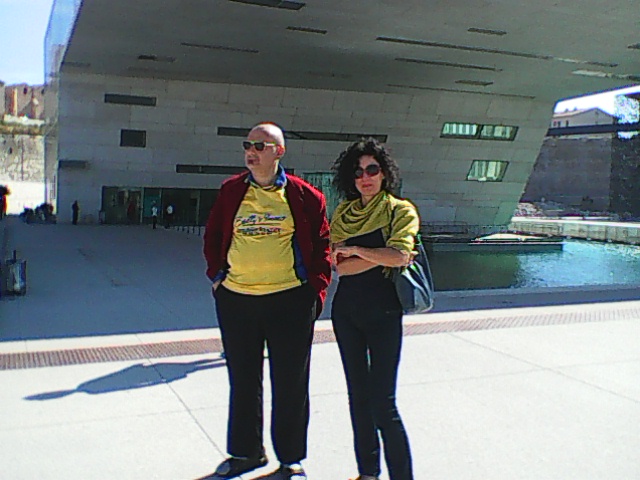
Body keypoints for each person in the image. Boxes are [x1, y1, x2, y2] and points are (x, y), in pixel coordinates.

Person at [203, 122, 331, 479]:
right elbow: (213, 236)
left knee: (290, 382)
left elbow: (322, 247)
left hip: (290, 301)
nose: (252, 151)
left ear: (279, 152)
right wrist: (218, 278)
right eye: (248, 144)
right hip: (237, 300)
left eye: (261, 145)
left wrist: (315, 292)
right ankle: (246, 453)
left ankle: (290, 460)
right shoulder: (231, 192)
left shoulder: (306, 197)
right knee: (243, 379)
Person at [329, 138, 419, 480]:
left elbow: (399, 256)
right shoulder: (343, 213)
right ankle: (367, 473)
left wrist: (356, 251)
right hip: (346, 312)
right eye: (358, 172)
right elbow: (339, 265)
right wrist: (372, 253)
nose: (365, 177)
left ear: (384, 174)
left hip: (383, 312)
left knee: (383, 402)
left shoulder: (400, 210)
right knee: (358, 399)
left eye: (372, 169)